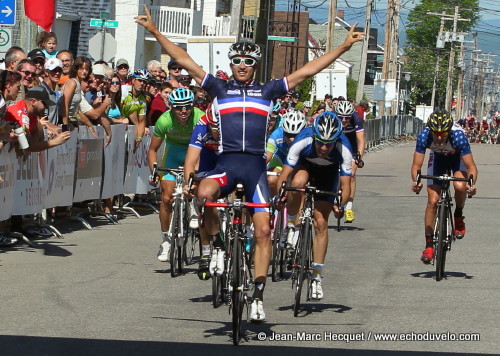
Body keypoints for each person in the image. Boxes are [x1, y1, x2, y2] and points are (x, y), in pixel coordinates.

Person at [136, 4, 364, 321]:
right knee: (202, 195)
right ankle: (215, 244)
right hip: (226, 165)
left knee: (263, 232)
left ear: (255, 65)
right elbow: (185, 61)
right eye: (237, 61)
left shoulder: (268, 90)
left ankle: (257, 294)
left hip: (255, 168)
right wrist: (155, 31)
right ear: (231, 64)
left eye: (248, 61)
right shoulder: (219, 87)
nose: (242, 65)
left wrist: (344, 46)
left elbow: (308, 70)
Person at [276, 112, 352, 301]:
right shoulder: (303, 140)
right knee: (297, 182)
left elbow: (346, 186)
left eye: (329, 143)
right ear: (314, 136)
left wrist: (340, 205)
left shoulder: (344, 148)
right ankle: (292, 225)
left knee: (320, 223)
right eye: (320, 142)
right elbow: (284, 177)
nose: (324, 147)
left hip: (329, 175)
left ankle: (316, 277)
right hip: (305, 167)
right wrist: (280, 196)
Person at [411, 109, 478, 264]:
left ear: (449, 131)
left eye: (443, 134)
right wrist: (416, 182)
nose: (439, 138)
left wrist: (472, 185)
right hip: (438, 160)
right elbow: (416, 165)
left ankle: (458, 215)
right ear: (431, 131)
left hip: (456, 159)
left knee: (460, 186)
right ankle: (428, 245)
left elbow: (471, 166)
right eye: (436, 134)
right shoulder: (424, 136)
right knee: (432, 201)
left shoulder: (458, 137)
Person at [147, 88, 204, 263]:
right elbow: (153, 150)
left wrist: (197, 174)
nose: (184, 111)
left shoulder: (199, 117)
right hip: (172, 156)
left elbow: (204, 150)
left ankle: (194, 206)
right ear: (171, 107)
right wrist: (154, 171)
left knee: (194, 183)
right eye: (179, 108)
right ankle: (166, 239)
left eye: (187, 106)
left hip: (194, 154)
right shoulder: (164, 120)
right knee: (166, 198)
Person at [183, 104, 221, 279]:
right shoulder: (202, 124)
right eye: (213, 127)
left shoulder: (234, 123)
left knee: (238, 191)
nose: (216, 132)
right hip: (208, 157)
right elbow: (190, 160)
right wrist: (188, 183)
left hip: (228, 157)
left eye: (219, 128)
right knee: (202, 199)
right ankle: (206, 251)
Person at [335, 100, 365, 223]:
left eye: (347, 118)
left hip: (351, 149)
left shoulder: (356, 119)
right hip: (335, 147)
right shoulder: (332, 117)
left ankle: (349, 208)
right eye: (341, 117)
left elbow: (361, 141)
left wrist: (359, 158)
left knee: (351, 174)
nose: (344, 120)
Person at [266, 110, 307, 196]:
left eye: (295, 135)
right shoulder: (276, 135)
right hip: (281, 160)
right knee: (271, 180)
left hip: (299, 162)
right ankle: (275, 203)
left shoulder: (308, 136)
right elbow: (267, 157)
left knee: (299, 182)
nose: (291, 139)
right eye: (288, 135)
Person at [121, 69, 149, 149]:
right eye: (140, 80)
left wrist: (139, 137)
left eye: (144, 82)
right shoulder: (124, 91)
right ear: (133, 80)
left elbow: (142, 121)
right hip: (118, 123)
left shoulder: (142, 100)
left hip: (128, 127)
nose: (142, 83)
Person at [60, 56, 92, 126]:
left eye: (86, 69)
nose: (84, 72)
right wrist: (65, 124)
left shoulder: (78, 84)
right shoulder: (72, 82)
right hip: (62, 121)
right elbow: (65, 104)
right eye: (81, 69)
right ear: (76, 69)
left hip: (71, 121)